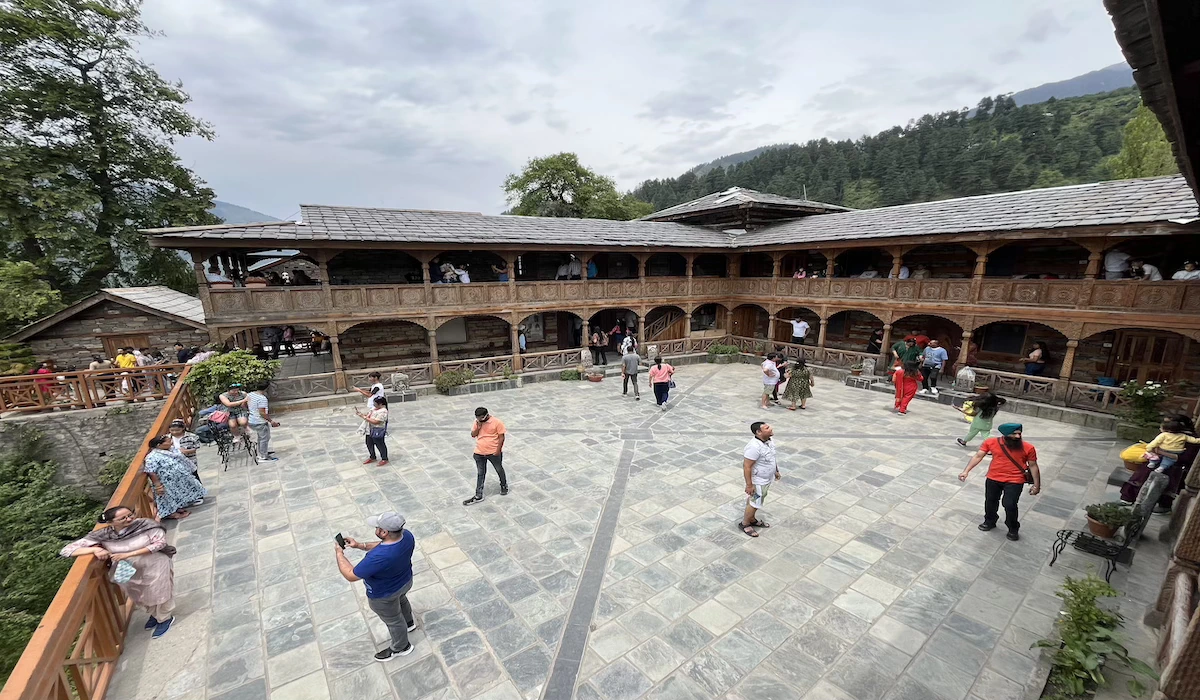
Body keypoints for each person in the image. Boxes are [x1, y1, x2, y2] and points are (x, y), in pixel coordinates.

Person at [62, 506, 178, 638]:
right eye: (123, 518)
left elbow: (160, 544)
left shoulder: (146, 525)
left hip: (153, 561)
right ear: (111, 522)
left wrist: (128, 554)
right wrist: (94, 550)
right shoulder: (103, 535)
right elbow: (67, 550)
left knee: (159, 591)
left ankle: (164, 618)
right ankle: (154, 614)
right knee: (138, 594)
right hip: (125, 567)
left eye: (130, 515)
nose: (129, 519)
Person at [335, 512, 417, 660]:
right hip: (405, 581)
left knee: (393, 620)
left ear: (384, 532)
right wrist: (360, 545)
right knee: (402, 600)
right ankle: (409, 623)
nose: (376, 529)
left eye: (378, 527)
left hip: (384, 594)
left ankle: (401, 647)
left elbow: (351, 575)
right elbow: (383, 544)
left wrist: (339, 554)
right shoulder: (407, 535)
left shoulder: (379, 557)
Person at [958, 423, 1041, 541]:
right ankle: (990, 520)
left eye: (1019, 433)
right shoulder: (991, 442)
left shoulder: (1028, 447)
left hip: (1015, 480)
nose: (1017, 436)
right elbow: (978, 456)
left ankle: (1013, 528)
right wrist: (966, 471)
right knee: (990, 501)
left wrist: (1036, 485)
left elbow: (1033, 466)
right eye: (1014, 434)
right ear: (1005, 434)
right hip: (993, 478)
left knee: (1010, 504)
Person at [144, 435, 207, 520]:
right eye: (168, 441)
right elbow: (151, 471)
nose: (171, 442)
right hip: (165, 481)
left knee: (175, 495)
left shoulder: (171, 449)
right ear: (159, 445)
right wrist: (158, 485)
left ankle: (176, 508)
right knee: (166, 497)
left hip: (176, 480)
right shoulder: (152, 457)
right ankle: (171, 514)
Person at [740, 421, 781, 538]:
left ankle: (752, 519)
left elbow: (772, 457)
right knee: (754, 502)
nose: (771, 428)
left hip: (767, 478)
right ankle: (745, 523)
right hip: (758, 482)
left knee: (756, 500)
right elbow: (747, 466)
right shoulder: (753, 447)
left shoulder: (769, 441)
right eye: (767, 428)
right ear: (758, 432)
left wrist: (776, 470)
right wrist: (749, 485)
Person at [464, 407, 507, 505]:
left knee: (499, 469)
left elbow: (501, 437)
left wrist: (498, 451)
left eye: (481, 418)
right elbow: (473, 435)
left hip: (493, 452)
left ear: (486, 415)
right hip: (479, 452)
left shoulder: (497, 422)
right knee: (480, 473)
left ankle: (504, 485)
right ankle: (478, 494)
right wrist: (478, 427)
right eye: (478, 418)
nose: (480, 420)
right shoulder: (477, 422)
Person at [247, 383, 279, 461]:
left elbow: (244, 404)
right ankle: (263, 456)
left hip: (252, 419)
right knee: (264, 438)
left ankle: (262, 452)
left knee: (262, 437)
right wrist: (271, 421)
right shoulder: (262, 398)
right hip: (259, 421)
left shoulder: (250, 394)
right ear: (266, 389)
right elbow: (262, 413)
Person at [356, 396, 390, 466]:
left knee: (380, 445)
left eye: (375, 403)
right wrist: (362, 414)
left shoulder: (383, 411)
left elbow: (376, 421)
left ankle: (384, 458)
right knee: (369, 443)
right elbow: (369, 416)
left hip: (377, 430)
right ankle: (372, 456)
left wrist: (363, 417)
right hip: (370, 429)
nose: (374, 404)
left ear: (380, 404)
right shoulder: (374, 409)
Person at [168, 418, 202, 484]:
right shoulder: (167, 438)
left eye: (177, 430)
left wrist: (187, 451)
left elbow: (196, 447)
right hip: (175, 462)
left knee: (194, 477)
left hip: (190, 460)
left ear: (183, 428)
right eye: (172, 430)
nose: (174, 432)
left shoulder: (192, 437)